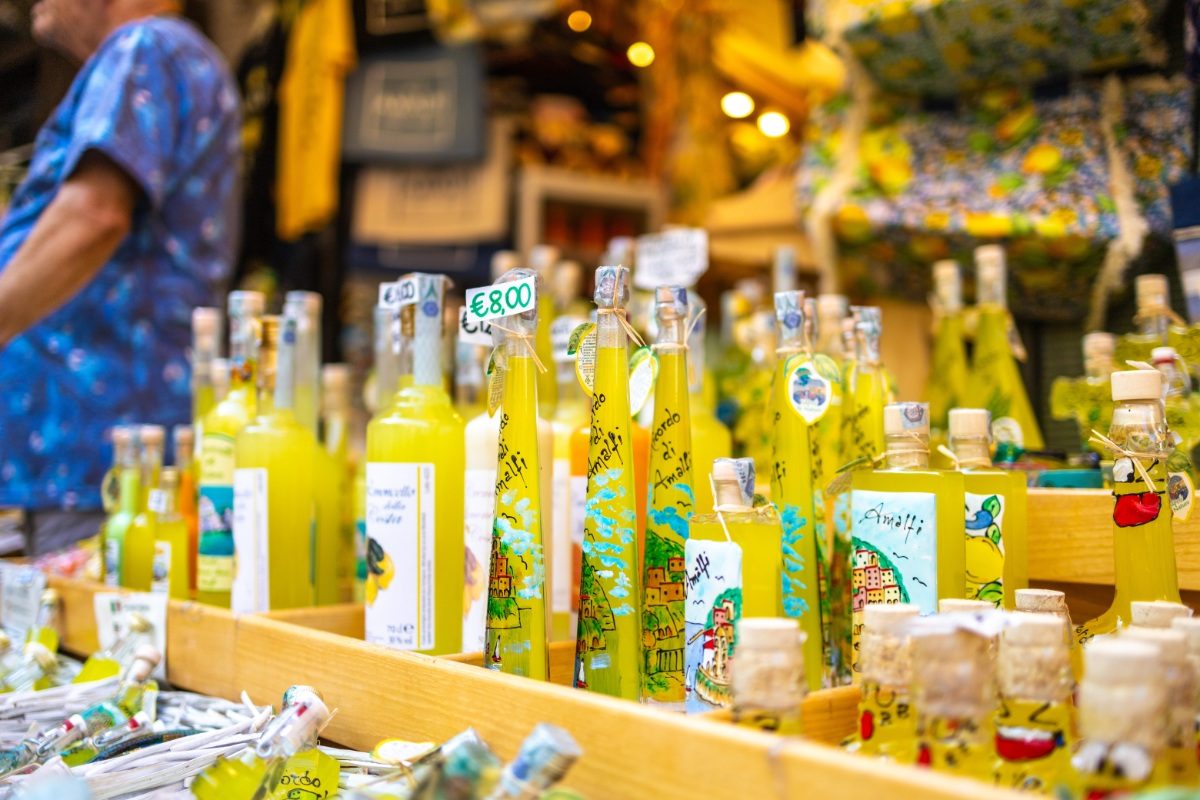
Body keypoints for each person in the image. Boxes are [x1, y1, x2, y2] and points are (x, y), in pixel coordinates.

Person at [0, 0, 240, 553]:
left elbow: (94, 215)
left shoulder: (146, 46)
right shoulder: (166, 57)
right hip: (92, 467)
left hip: (97, 463)